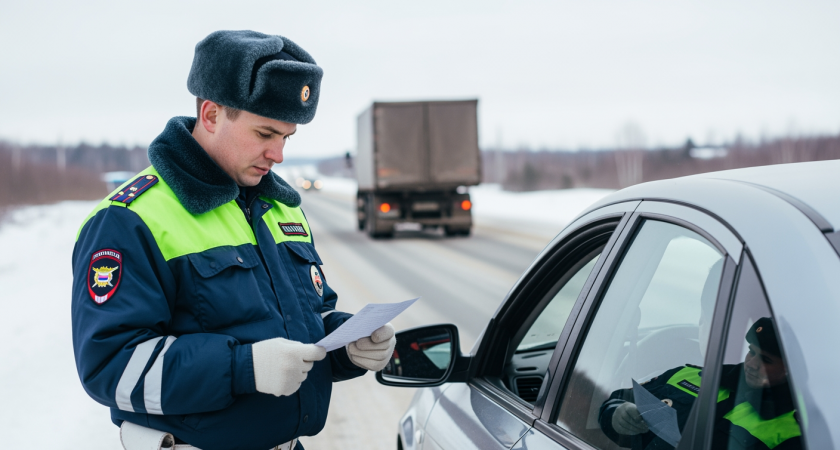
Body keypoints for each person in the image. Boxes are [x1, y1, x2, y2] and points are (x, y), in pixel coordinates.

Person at [71, 30, 396, 450]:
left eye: (287, 138)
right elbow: (109, 367)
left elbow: (308, 319)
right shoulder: (129, 219)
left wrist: (346, 342)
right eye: (264, 134)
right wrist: (243, 367)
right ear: (210, 115)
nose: (278, 154)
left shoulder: (283, 208)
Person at [598, 318, 802, 450]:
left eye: (765, 360)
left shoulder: (792, 432)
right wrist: (617, 413)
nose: (752, 364)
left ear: (789, 369)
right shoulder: (689, 375)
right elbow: (618, 401)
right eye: (751, 352)